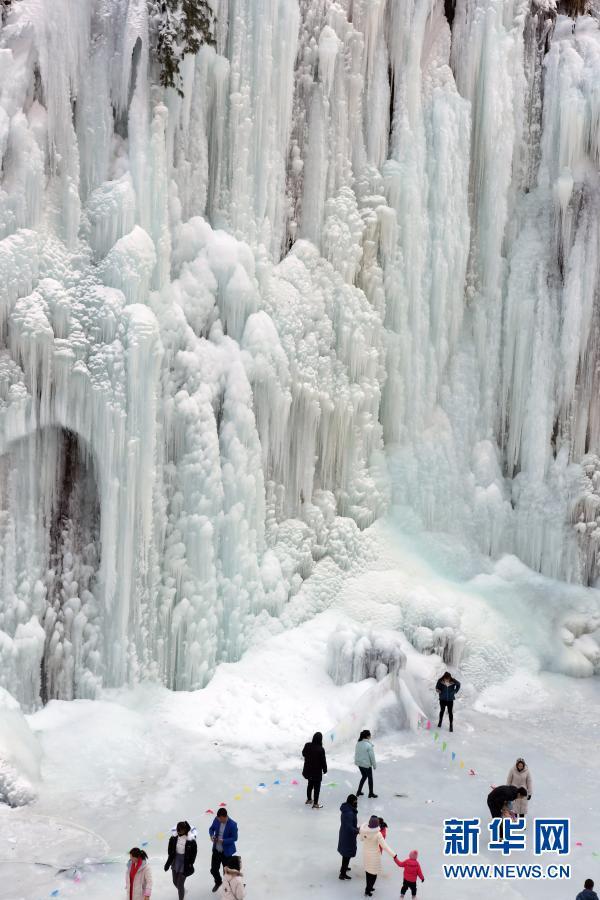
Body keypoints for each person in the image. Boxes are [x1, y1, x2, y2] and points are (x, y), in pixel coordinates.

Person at [359, 814, 396, 896]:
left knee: (368, 873)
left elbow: (361, 839)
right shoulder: (378, 834)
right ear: (377, 824)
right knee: (374, 874)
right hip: (374, 857)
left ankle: (368, 888)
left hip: (366, 855)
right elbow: (385, 846)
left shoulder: (364, 831)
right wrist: (394, 855)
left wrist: (363, 831)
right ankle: (368, 889)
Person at [164, 821, 197, 899]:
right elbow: (170, 851)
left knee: (180, 884)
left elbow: (194, 853)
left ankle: (181, 897)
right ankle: (183, 891)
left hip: (185, 862)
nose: (178, 831)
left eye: (180, 830)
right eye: (177, 830)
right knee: (175, 882)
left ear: (185, 830)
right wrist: (168, 864)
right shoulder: (173, 838)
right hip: (175, 860)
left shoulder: (191, 840)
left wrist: (190, 863)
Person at [209, 808, 238, 893]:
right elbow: (211, 829)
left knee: (227, 873)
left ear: (225, 817)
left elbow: (235, 838)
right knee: (213, 870)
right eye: (218, 819)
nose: (219, 820)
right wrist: (212, 836)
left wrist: (224, 841)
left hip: (226, 853)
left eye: (220, 819)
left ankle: (228, 889)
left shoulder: (233, 824)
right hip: (216, 850)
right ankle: (218, 882)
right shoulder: (217, 819)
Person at [302, 731, 327, 809]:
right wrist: (325, 769)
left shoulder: (307, 745)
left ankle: (309, 800)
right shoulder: (321, 749)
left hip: (308, 770)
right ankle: (315, 804)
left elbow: (303, 753)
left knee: (310, 785)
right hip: (316, 772)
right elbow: (323, 761)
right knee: (317, 788)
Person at [337, 794, 359, 880]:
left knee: (346, 853)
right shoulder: (349, 813)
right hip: (348, 836)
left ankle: (344, 868)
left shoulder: (347, 810)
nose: (356, 802)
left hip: (345, 834)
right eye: (355, 801)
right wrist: (357, 831)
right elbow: (349, 827)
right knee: (347, 853)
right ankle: (342, 874)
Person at [355, 730, 377, 798]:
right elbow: (372, 757)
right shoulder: (368, 745)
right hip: (366, 765)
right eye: (370, 735)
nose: (370, 736)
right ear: (367, 736)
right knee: (370, 778)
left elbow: (357, 754)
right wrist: (374, 765)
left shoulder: (358, 743)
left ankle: (358, 791)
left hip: (360, 764)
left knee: (364, 776)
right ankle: (371, 793)